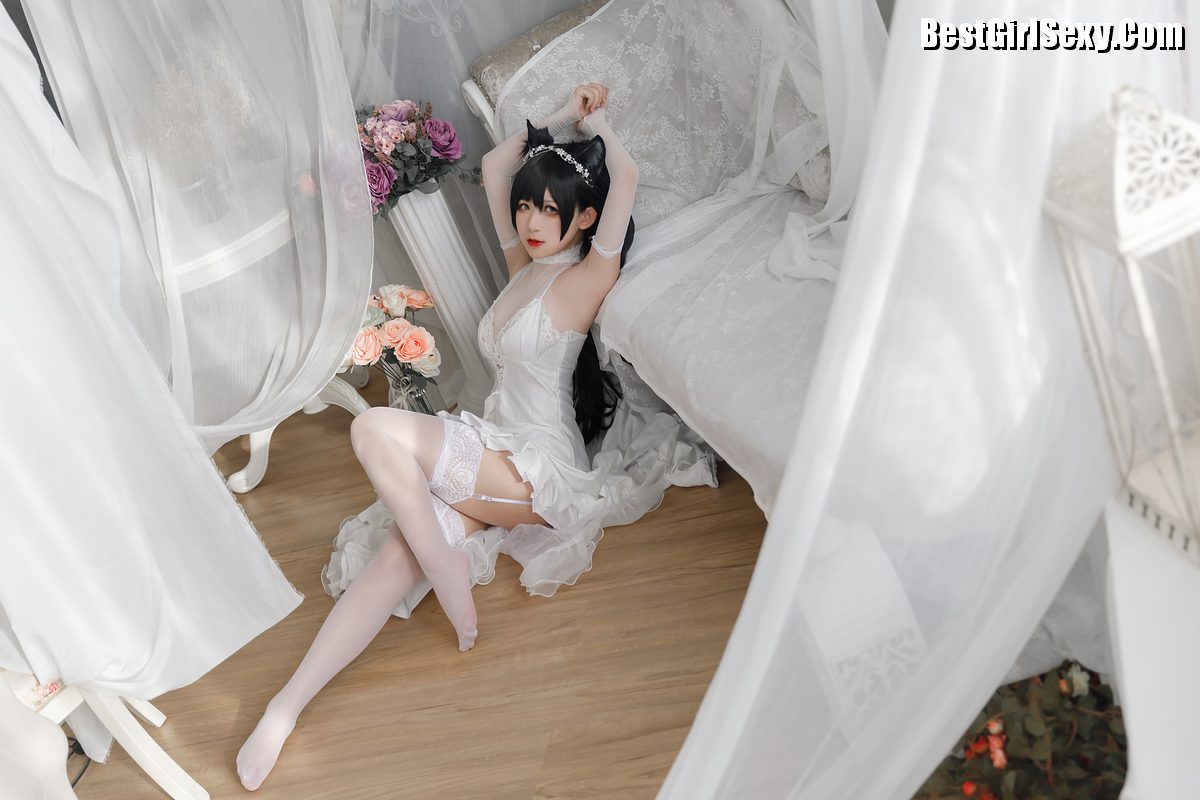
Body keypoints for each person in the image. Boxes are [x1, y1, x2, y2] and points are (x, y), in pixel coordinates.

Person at [234, 82, 639, 791]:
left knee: (373, 427)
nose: (531, 219)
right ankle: (283, 708)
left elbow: (625, 176)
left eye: (550, 210)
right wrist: (554, 122)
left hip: (535, 470)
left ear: (585, 219)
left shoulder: (585, 278)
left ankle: (446, 571)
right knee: (394, 558)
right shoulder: (523, 269)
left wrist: (594, 121)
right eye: (527, 205)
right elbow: (496, 167)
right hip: (489, 450)